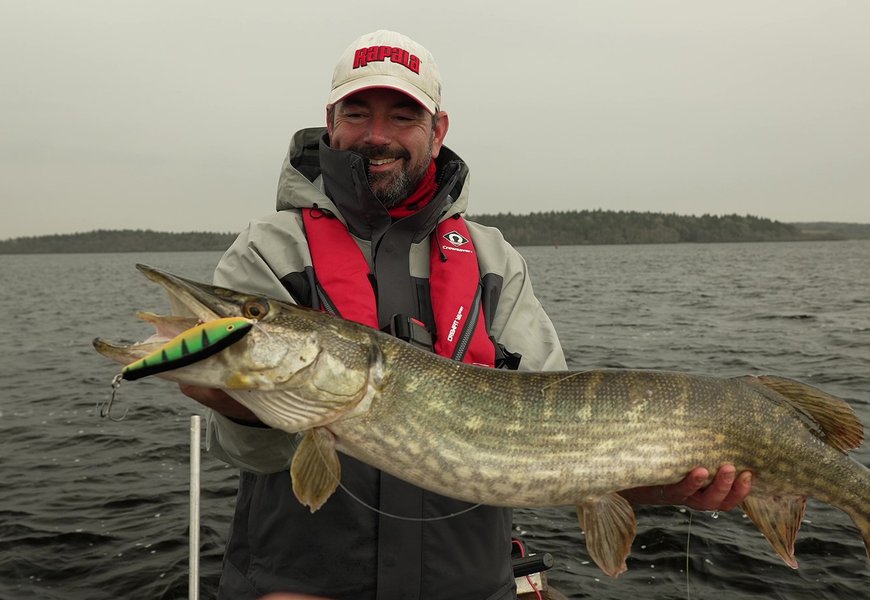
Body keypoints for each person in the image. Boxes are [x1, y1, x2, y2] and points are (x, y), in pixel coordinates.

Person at [181, 30, 752, 600]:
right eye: (357, 113)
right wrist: (246, 405)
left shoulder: (492, 262)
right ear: (330, 121)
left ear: (438, 130)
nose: (376, 136)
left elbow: (566, 449)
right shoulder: (268, 251)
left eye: (403, 116)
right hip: (298, 588)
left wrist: (660, 486)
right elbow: (245, 452)